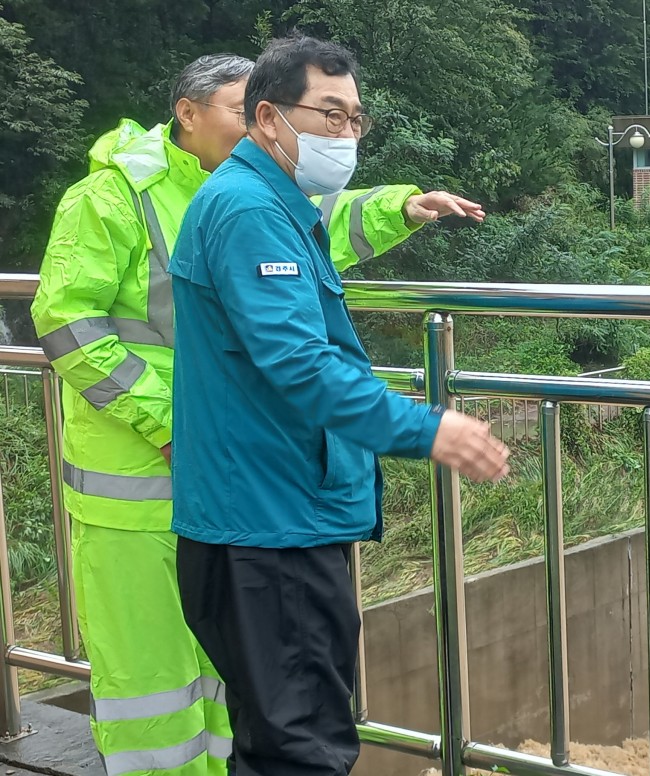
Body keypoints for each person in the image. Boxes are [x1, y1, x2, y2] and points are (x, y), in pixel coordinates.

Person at [31, 52, 486, 776]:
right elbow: (65, 323)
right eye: (245, 111)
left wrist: (400, 204)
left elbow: (318, 229)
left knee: (246, 694)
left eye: (352, 120)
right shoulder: (118, 197)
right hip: (139, 480)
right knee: (157, 682)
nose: (254, 125)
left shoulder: (237, 192)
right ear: (189, 111)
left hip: (227, 475)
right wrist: (165, 421)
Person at [169, 34, 509, 776]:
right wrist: (431, 428)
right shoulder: (249, 209)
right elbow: (300, 362)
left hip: (267, 516)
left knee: (277, 739)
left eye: (355, 118)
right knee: (303, 749)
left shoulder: (276, 201)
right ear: (267, 116)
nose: (345, 133)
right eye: (328, 113)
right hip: (268, 525)